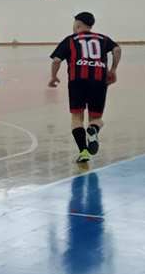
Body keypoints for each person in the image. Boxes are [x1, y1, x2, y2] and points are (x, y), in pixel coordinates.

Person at [49, 12, 120, 164]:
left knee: (77, 117)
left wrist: (54, 76)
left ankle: (83, 151)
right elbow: (117, 49)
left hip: (77, 81)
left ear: (78, 24)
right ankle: (94, 129)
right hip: (99, 81)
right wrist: (113, 69)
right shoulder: (103, 39)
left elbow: (56, 60)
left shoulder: (71, 40)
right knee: (96, 119)